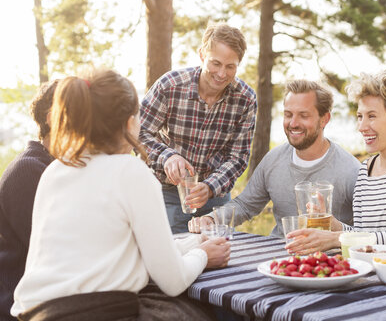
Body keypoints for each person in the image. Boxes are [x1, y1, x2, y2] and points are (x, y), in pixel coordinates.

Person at [11, 70, 230, 320]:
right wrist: (203, 255)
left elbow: (116, 252)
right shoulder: (130, 171)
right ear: (128, 123)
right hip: (95, 313)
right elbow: (173, 281)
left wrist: (194, 243)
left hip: (34, 314)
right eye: (138, 117)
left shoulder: (56, 170)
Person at [286, 68, 386, 261]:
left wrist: (335, 238)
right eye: (359, 116)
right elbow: (363, 238)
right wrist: (333, 225)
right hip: (381, 279)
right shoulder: (365, 170)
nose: (362, 127)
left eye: (371, 116)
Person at [189, 79, 361, 237]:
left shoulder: (351, 171)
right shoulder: (273, 160)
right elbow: (245, 205)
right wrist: (212, 219)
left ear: (324, 119)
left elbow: (366, 234)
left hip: (328, 264)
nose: (293, 123)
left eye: (303, 115)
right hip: (277, 258)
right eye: (288, 114)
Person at [139, 23, 257, 233]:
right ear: (202, 55)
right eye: (216, 63)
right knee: (168, 261)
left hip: (214, 202)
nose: (222, 74)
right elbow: (139, 132)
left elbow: (238, 157)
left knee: (219, 262)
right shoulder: (170, 86)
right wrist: (167, 156)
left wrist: (210, 187)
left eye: (230, 66)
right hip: (165, 195)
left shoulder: (246, 99)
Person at [0, 80, 58, 321]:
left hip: (52, 294)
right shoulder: (29, 170)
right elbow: (52, 251)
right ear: (51, 118)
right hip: (20, 305)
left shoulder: (56, 167)